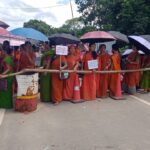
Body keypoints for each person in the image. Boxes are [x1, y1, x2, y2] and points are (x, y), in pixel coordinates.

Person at [0, 41, 14, 108]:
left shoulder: (6, 59)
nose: (1, 53)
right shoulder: (9, 57)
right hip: (9, 77)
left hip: (6, 77)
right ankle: (7, 104)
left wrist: (2, 74)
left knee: (4, 91)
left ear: (4, 52)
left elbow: (9, 68)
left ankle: (5, 105)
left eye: (2, 52)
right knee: (7, 91)